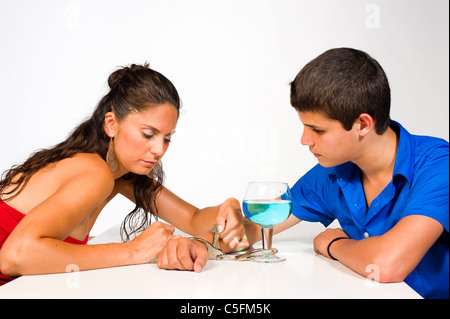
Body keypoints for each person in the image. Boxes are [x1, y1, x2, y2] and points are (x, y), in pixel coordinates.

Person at [0, 63, 248, 286]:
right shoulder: (94, 173)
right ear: (111, 124)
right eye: (148, 134)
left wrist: (228, 208)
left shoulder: (121, 177)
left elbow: (193, 220)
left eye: (167, 138)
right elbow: (15, 256)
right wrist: (134, 251)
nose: (159, 149)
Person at [244, 48, 449, 299]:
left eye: (317, 130)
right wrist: (223, 226)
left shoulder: (438, 165)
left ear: (362, 124)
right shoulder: (332, 171)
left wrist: (332, 244)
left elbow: (387, 265)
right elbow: (258, 225)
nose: (304, 140)